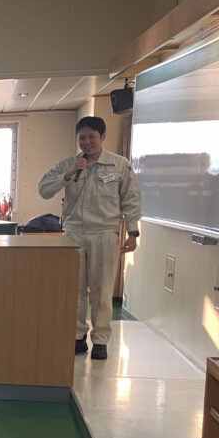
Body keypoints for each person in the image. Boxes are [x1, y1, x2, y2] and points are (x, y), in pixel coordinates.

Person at [39, 116, 142, 360]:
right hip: (73, 234)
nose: (86, 142)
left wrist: (133, 232)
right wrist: (68, 174)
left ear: (103, 137)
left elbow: (131, 199)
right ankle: (77, 337)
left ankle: (100, 340)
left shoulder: (119, 165)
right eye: (82, 138)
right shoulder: (68, 164)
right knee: (74, 291)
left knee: (102, 291)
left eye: (92, 137)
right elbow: (43, 189)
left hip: (104, 233)